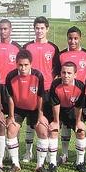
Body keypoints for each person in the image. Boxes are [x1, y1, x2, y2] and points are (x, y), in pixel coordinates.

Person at [4, 49, 49, 172]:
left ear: (31, 64)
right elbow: (10, 97)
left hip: (35, 109)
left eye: (26, 65)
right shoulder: (11, 76)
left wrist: (40, 115)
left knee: (43, 131)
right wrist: (11, 116)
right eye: (20, 65)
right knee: (11, 129)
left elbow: (40, 97)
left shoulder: (38, 76)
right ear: (16, 64)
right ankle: (15, 164)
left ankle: (40, 165)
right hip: (18, 109)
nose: (23, 68)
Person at [22, 16, 60, 163]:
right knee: (31, 122)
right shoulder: (27, 47)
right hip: (31, 89)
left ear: (47, 29)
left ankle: (50, 154)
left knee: (47, 123)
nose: (39, 31)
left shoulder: (53, 48)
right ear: (34, 29)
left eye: (42, 28)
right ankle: (28, 152)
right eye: (37, 28)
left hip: (47, 90)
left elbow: (56, 69)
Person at [0, 19, 21, 167]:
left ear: (11, 29)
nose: (3, 31)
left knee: (13, 118)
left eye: (5, 29)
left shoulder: (17, 48)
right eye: (0, 29)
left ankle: (12, 149)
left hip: (12, 87)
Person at [58, 26, 86, 165]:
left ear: (80, 38)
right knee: (65, 125)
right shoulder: (60, 55)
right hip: (64, 96)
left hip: (81, 97)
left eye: (75, 38)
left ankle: (80, 159)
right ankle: (65, 154)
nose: (72, 41)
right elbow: (57, 74)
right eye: (70, 38)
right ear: (67, 39)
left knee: (80, 127)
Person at [47, 62, 86, 172]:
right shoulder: (55, 84)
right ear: (60, 73)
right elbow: (55, 104)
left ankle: (80, 162)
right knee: (53, 131)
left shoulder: (80, 86)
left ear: (75, 74)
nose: (66, 75)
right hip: (59, 110)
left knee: (81, 131)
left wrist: (78, 122)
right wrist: (55, 121)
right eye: (63, 72)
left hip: (73, 110)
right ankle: (52, 163)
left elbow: (79, 106)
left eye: (69, 73)